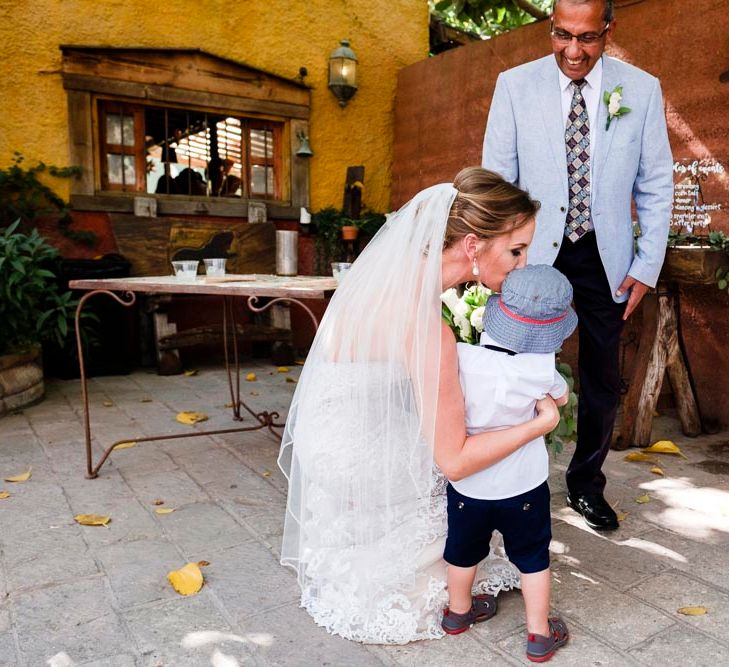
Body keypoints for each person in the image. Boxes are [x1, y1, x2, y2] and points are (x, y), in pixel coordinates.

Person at [278, 167, 561, 644]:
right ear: (473, 247)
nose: (523, 264)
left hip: (322, 442)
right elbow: (453, 461)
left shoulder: (382, 282)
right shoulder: (430, 328)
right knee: (484, 481)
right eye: (517, 250)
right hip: (356, 462)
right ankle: (456, 597)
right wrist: (540, 424)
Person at [482, 0, 673, 530]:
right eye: (561, 35)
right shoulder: (514, 85)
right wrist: (503, 258)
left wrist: (645, 264)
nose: (573, 50)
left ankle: (586, 484)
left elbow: (655, 183)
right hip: (532, 253)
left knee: (602, 378)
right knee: (509, 366)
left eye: (587, 38)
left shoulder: (642, 89)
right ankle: (507, 481)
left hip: (606, 257)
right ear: (550, 27)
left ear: (609, 29)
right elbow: (498, 180)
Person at [442, 264, 576, 662]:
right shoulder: (540, 370)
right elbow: (563, 398)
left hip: (470, 485)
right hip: (524, 487)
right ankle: (538, 634)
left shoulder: (462, 357)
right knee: (533, 557)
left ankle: (458, 613)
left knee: (461, 551)